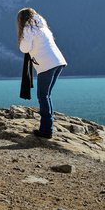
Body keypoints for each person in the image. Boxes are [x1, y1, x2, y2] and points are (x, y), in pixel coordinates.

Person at [17, 8, 67, 139]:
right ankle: (48, 127)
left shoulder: (28, 28)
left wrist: (21, 37)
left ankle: (46, 130)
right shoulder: (42, 26)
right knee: (47, 95)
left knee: (43, 96)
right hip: (58, 62)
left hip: (47, 64)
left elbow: (24, 48)